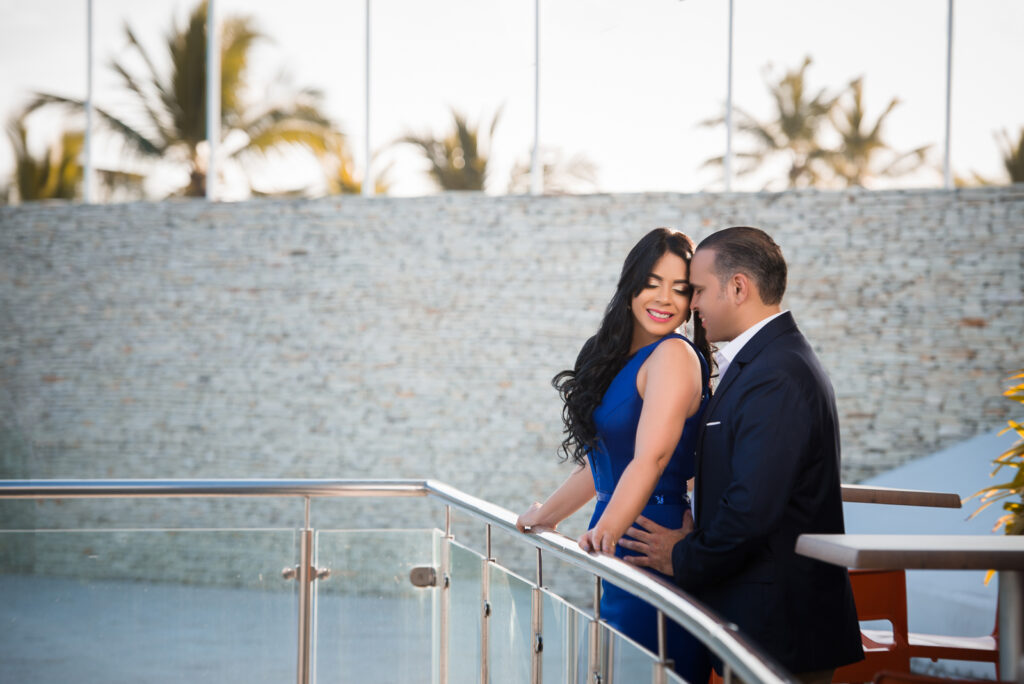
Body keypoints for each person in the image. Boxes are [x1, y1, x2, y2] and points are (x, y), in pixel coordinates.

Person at [618, 226, 864, 684]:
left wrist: (682, 556)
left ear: (738, 287)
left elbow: (752, 506)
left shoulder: (778, 374)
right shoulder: (765, 363)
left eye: (699, 291)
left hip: (782, 627)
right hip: (763, 622)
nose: (691, 306)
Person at [516, 227, 712, 683]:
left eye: (680, 289)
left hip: (646, 538)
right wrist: (548, 515)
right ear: (630, 286)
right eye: (653, 282)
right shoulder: (623, 356)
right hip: (618, 533)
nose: (665, 298)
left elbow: (652, 459)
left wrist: (601, 536)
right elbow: (602, 464)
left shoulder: (674, 356)